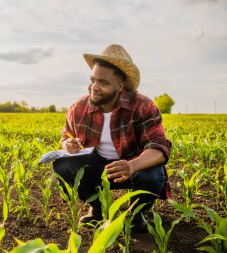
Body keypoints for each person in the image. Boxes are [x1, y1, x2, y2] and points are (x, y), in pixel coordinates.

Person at [53, 43, 172, 233]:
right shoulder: (78, 108)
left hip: (132, 168)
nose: (94, 87)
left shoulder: (142, 105)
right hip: (99, 168)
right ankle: (98, 209)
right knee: (63, 165)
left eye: (103, 82)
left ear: (120, 86)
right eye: (92, 80)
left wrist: (132, 165)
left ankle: (136, 215)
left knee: (153, 174)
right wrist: (68, 145)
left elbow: (158, 148)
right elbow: (65, 137)